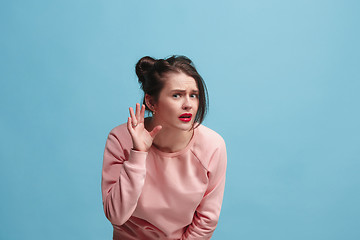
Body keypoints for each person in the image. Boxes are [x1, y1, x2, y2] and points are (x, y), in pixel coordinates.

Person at [101, 55, 227, 240]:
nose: (188, 104)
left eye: (193, 95)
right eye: (177, 95)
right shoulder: (120, 138)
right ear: (151, 102)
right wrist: (139, 153)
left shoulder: (213, 146)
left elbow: (206, 221)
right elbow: (116, 215)